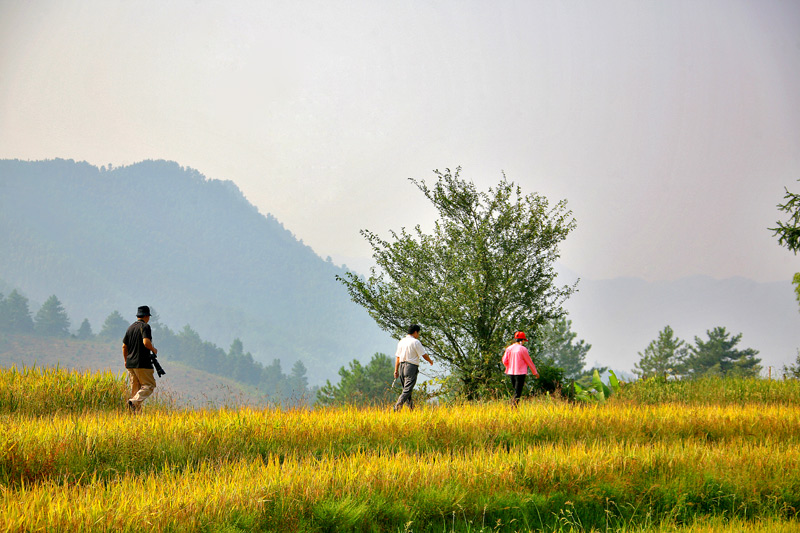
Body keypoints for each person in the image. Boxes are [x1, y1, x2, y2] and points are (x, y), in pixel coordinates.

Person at [122, 305, 158, 413]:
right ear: (147, 316)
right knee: (149, 385)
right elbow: (146, 342)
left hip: (130, 364)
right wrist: (153, 349)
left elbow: (124, 346)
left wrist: (125, 361)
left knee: (135, 390)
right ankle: (133, 402)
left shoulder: (130, 328)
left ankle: (135, 415)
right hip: (142, 363)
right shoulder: (145, 327)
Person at [393, 324, 433, 411]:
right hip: (410, 367)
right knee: (407, 389)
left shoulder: (401, 341)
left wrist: (396, 370)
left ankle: (411, 409)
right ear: (415, 332)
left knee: (406, 389)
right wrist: (430, 361)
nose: (418, 335)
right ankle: (397, 406)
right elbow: (424, 355)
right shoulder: (415, 342)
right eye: (418, 333)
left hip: (402, 366)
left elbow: (398, 357)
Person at [502, 331, 539, 407]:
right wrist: (535, 372)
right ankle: (513, 408)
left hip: (511, 373)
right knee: (518, 392)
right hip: (520, 373)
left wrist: (509, 366)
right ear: (522, 340)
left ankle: (513, 407)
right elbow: (529, 362)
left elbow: (504, 360)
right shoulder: (523, 349)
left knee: (515, 391)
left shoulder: (509, 348)